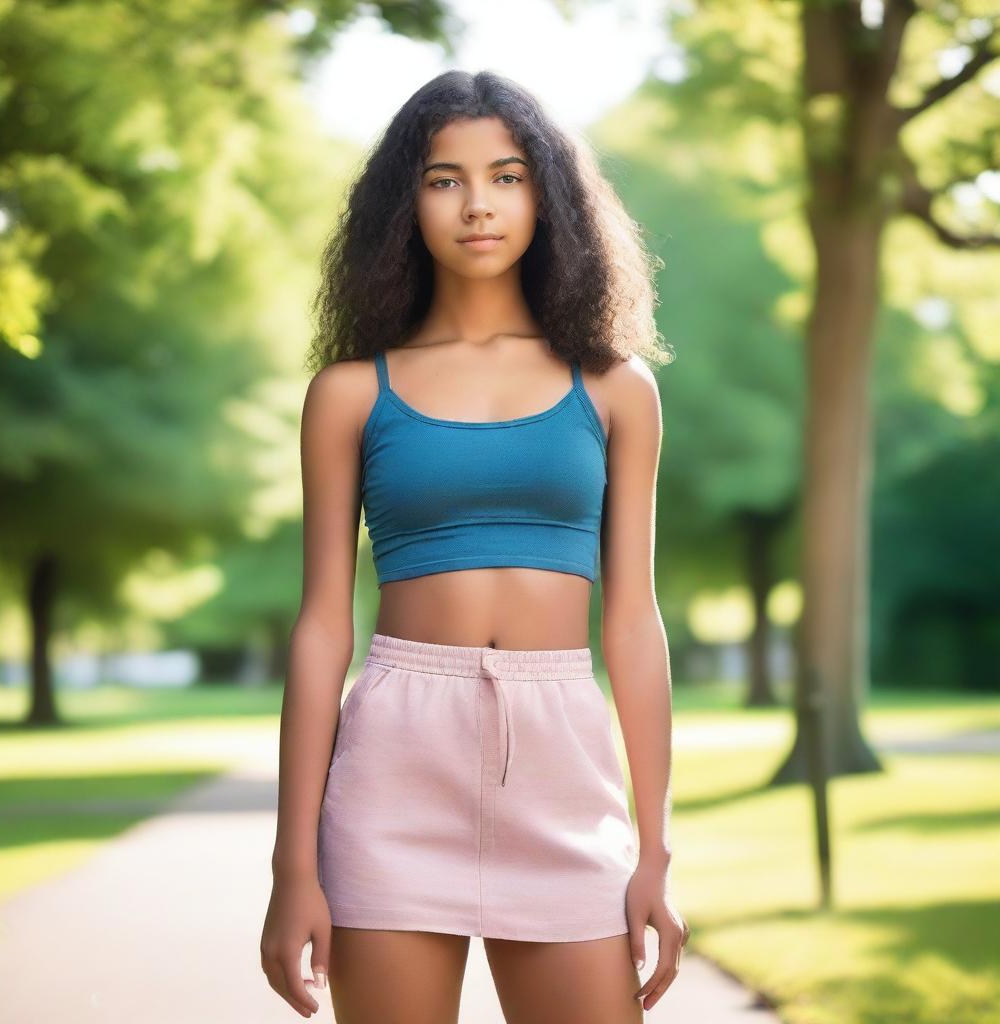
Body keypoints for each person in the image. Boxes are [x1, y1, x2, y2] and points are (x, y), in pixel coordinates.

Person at [260, 69, 686, 1022]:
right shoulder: (349, 394)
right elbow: (324, 628)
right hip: (394, 767)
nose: (478, 204)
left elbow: (633, 624)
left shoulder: (617, 390)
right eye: (444, 179)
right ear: (404, 204)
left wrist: (655, 849)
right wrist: (295, 865)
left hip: (561, 762)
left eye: (508, 175)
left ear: (550, 197)